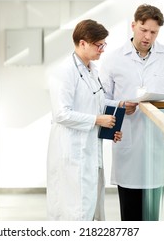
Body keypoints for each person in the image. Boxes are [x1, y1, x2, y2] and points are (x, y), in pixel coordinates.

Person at [99, 4, 164, 221]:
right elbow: (100, 100)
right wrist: (121, 104)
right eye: (143, 30)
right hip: (128, 144)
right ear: (133, 26)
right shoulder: (114, 59)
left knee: (152, 217)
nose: (148, 36)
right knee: (130, 215)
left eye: (153, 32)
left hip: (156, 145)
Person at [47, 19, 122, 221]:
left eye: (103, 44)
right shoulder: (64, 71)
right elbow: (61, 113)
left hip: (89, 149)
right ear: (83, 43)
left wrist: (119, 107)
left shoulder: (91, 71)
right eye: (99, 45)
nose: (103, 50)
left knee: (89, 209)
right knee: (75, 211)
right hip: (73, 151)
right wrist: (98, 120)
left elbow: (95, 101)